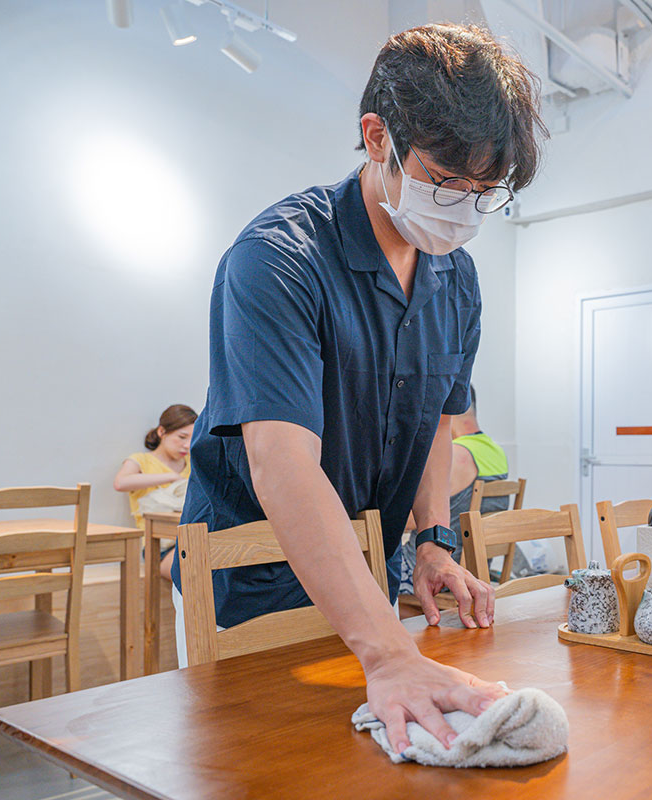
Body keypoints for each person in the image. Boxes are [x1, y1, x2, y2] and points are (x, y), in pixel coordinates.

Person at [173, 23, 546, 756]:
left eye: (485, 192)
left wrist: (435, 542)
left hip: (366, 572)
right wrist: (387, 652)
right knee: (265, 765)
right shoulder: (278, 261)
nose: (464, 208)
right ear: (377, 137)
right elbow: (281, 464)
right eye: (445, 181)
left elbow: (440, 421)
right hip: (256, 578)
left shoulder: (456, 279)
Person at [398, 384, 511, 595]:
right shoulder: (495, 451)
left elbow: (411, 522)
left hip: (439, 570)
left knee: (373, 563)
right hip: (477, 567)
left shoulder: (457, 455)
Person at [113, 404, 196, 579]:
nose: (187, 445)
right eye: (181, 437)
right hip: (160, 547)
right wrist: (171, 478)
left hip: (192, 539)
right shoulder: (141, 460)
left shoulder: (192, 463)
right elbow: (121, 483)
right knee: (194, 568)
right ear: (162, 432)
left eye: (192, 439)